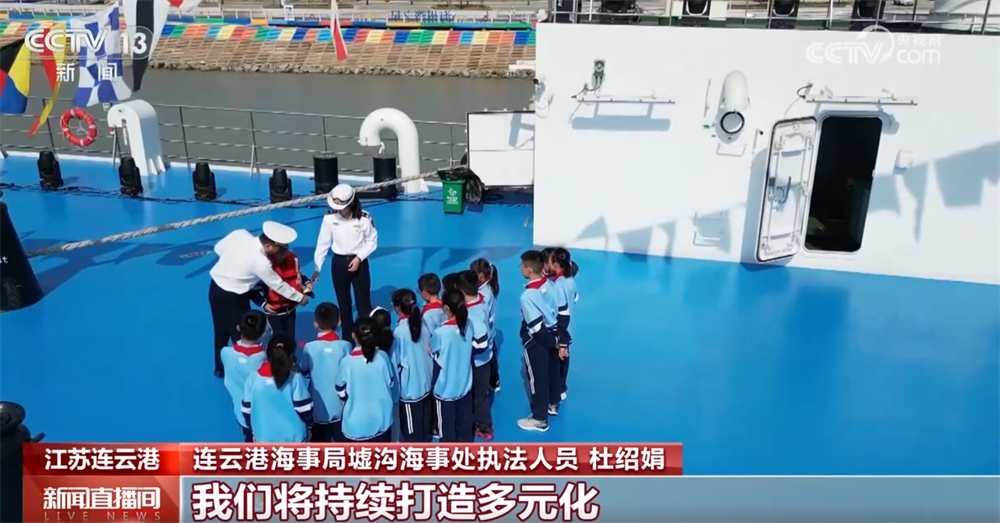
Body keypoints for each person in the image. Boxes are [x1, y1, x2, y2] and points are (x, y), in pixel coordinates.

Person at [209, 221, 307, 378]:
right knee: (241, 333)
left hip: (215, 288)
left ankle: (220, 368)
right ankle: (243, 371)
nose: (283, 253)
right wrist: (300, 297)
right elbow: (278, 285)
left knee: (220, 330)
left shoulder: (239, 234)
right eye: (281, 249)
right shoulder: (261, 262)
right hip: (236, 296)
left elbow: (218, 248)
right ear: (269, 246)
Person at [312, 184, 378, 341]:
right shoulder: (329, 218)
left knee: (363, 304)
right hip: (339, 263)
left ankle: (366, 339)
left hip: (359, 263)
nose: (339, 211)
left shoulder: (364, 218)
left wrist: (359, 257)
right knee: (344, 305)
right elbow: (323, 243)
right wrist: (317, 268)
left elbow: (372, 241)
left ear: (351, 203)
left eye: (342, 208)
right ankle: (348, 340)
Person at [516, 250, 561, 432]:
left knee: (537, 378)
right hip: (554, 333)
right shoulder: (551, 285)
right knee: (552, 371)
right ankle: (553, 403)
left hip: (536, 341)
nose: (520, 268)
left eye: (521, 265)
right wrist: (556, 341)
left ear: (528, 269)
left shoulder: (527, 296)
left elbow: (535, 327)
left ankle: (539, 419)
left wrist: (550, 342)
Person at [242, 334, 313, 443]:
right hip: (295, 440)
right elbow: (305, 410)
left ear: (267, 353)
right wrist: (309, 428)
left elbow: (247, 411)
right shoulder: (295, 378)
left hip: (264, 439)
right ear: (291, 356)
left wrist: (253, 432)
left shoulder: (252, 379)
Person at [298, 303, 352, 443]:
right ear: (339, 322)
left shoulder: (309, 347)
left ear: (316, 324)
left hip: (318, 409)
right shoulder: (345, 346)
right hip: (341, 407)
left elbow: (304, 371)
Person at [336, 317, 395, 442]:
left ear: (353, 335)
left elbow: (341, 392)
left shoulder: (346, 362)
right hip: (382, 422)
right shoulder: (383, 357)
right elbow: (391, 383)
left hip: (355, 426)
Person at [430, 290, 475, 443]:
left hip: (445, 390)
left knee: (446, 430)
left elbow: (432, 350)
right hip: (465, 386)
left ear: (446, 309)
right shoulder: (469, 325)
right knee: (465, 427)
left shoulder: (441, 333)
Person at [391, 289, 434, 442]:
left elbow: (395, 364)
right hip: (427, 384)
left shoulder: (399, 333)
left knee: (412, 434)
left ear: (397, 308)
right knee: (425, 427)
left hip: (410, 391)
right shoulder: (422, 323)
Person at [219, 311, 268, 442]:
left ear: (238, 328)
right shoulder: (264, 359)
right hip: (263, 415)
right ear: (263, 334)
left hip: (241, 413)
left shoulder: (225, 353)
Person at [457, 270, 494, 441]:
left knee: (478, 397)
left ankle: (485, 427)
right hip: (484, 360)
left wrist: (464, 349)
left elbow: (482, 342)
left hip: (478, 363)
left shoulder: (472, 314)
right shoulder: (481, 299)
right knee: (480, 395)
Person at [547, 248, 579, 401]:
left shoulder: (557, 286)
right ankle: (562, 387)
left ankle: (556, 391)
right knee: (565, 359)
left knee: (557, 359)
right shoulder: (570, 281)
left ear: (555, 264)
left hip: (560, 330)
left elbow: (560, 312)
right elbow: (575, 298)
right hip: (568, 330)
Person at [262, 245, 313, 339]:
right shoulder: (264, 265)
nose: (286, 254)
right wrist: (263, 304)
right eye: (282, 252)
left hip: (290, 309)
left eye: (286, 250)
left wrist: (307, 282)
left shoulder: (292, 259)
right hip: (274, 312)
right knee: (277, 337)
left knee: (290, 336)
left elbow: (298, 275)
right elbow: (255, 289)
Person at [418, 272, 446, 438]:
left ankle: (435, 425)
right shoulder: (445, 307)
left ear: (424, 293)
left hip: (432, 357)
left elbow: (426, 339)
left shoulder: (427, 315)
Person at [470, 258, 501, 393]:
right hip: (491, 329)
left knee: (487, 357)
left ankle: (489, 381)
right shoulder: (490, 287)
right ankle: (494, 381)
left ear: (481, 276)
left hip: (485, 329)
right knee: (492, 352)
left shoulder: (483, 294)